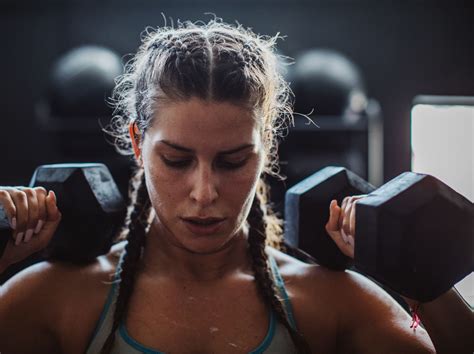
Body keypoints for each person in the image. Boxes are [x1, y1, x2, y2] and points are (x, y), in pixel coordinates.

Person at [0, 18, 472, 354]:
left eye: (232, 160)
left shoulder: (323, 302)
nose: (204, 193)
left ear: (265, 144)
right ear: (137, 141)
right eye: (176, 159)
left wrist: (425, 283)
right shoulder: (65, 298)